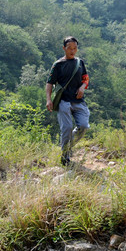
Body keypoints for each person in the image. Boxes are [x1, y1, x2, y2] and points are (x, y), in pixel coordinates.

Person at [45, 36, 89, 166]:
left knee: (83, 126)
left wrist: (82, 87)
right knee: (67, 128)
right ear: (64, 48)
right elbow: (49, 83)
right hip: (63, 101)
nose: (72, 51)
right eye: (69, 48)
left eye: (75, 48)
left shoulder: (79, 62)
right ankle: (65, 156)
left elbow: (86, 78)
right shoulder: (58, 65)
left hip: (78, 101)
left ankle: (69, 147)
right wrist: (49, 99)